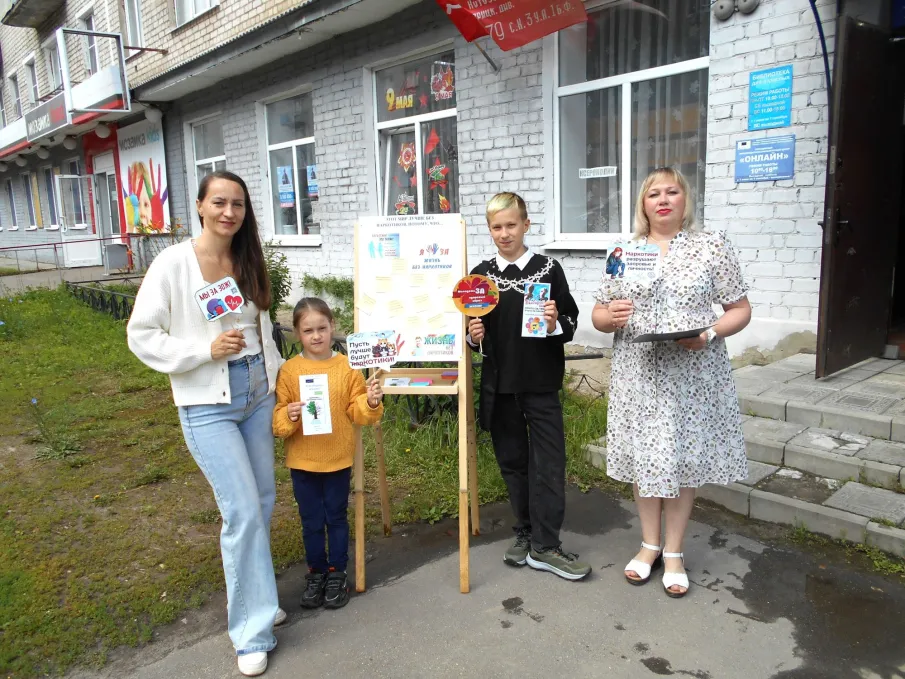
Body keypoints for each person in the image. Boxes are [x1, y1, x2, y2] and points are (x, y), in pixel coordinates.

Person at [127, 171, 285, 677]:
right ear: (199, 206)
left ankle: (257, 598)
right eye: (219, 202)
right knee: (240, 511)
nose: (229, 212)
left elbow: (262, 328)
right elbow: (142, 334)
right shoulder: (173, 263)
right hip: (208, 404)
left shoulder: (247, 258)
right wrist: (203, 350)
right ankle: (250, 632)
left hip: (257, 393)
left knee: (261, 502)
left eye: (238, 204)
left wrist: (281, 384)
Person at [591, 167, 751, 598]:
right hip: (640, 370)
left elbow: (740, 308)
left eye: (672, 191)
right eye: (653, 194)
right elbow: (599, 315)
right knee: (647, 455)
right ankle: (649, 546)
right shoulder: (623, 250)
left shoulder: (712, 246)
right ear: (643, 204)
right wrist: (613, 316)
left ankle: (675, 552)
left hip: (694, 371)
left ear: (685, 199)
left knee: (682, 457)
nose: (663, 199)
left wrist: (711, 333)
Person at [468, 192, 591, 581]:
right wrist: (473, 335)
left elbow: (570, 323)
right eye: (496, 227)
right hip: (500, 386)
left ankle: (547, 544)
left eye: (511, 225)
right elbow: (473, 333)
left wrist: (556, 322)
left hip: (540, 384)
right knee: (513, 464)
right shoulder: (479, 276)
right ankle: (525, 532)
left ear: (526, 225)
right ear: (489, 229)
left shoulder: (549, 269)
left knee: (549, 464)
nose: (504, 234)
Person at [272, 298, 384, 610]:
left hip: (337, 459)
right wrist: (291, 415)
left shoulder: (347, 368)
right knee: (310, 520)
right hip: (303, 461)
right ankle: (315, 572)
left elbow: (357, 410)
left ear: (333, 327)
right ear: (296, 333)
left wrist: (371, 403)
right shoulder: (289, 371)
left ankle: (337, 571)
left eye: (322, 328)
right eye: (308, 330)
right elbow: (279, 422)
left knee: (335, 517)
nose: (317, 336)